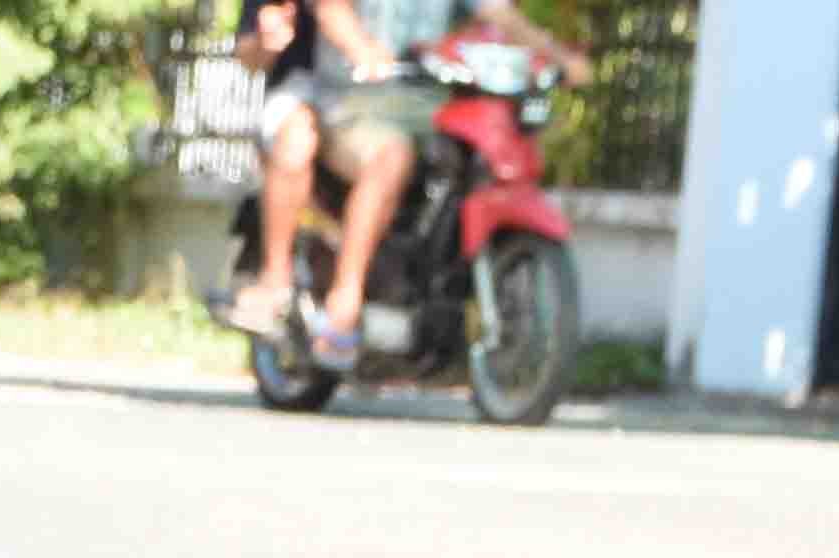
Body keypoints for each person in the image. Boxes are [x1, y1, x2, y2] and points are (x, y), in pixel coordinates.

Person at [229, 0, 582, 369]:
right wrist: (363, 49)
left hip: (425, 104)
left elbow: (497, 11)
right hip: (349, 97)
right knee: (386, 155)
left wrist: (557, 57)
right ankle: (340, 298)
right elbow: (331, 9)